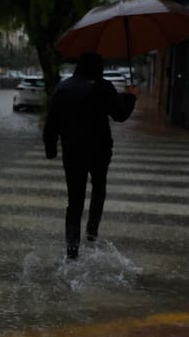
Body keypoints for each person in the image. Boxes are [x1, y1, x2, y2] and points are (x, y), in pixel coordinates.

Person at [43, 52, 139, 259]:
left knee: (74, 200)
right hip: (100, 150)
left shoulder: (63, 88)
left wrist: (51, 150)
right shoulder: (104, 87)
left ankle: (71, 252)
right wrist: (130, 97)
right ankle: (92, 230)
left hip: (73, 152)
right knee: (99, 187)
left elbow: (51, 123)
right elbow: (120, 115)